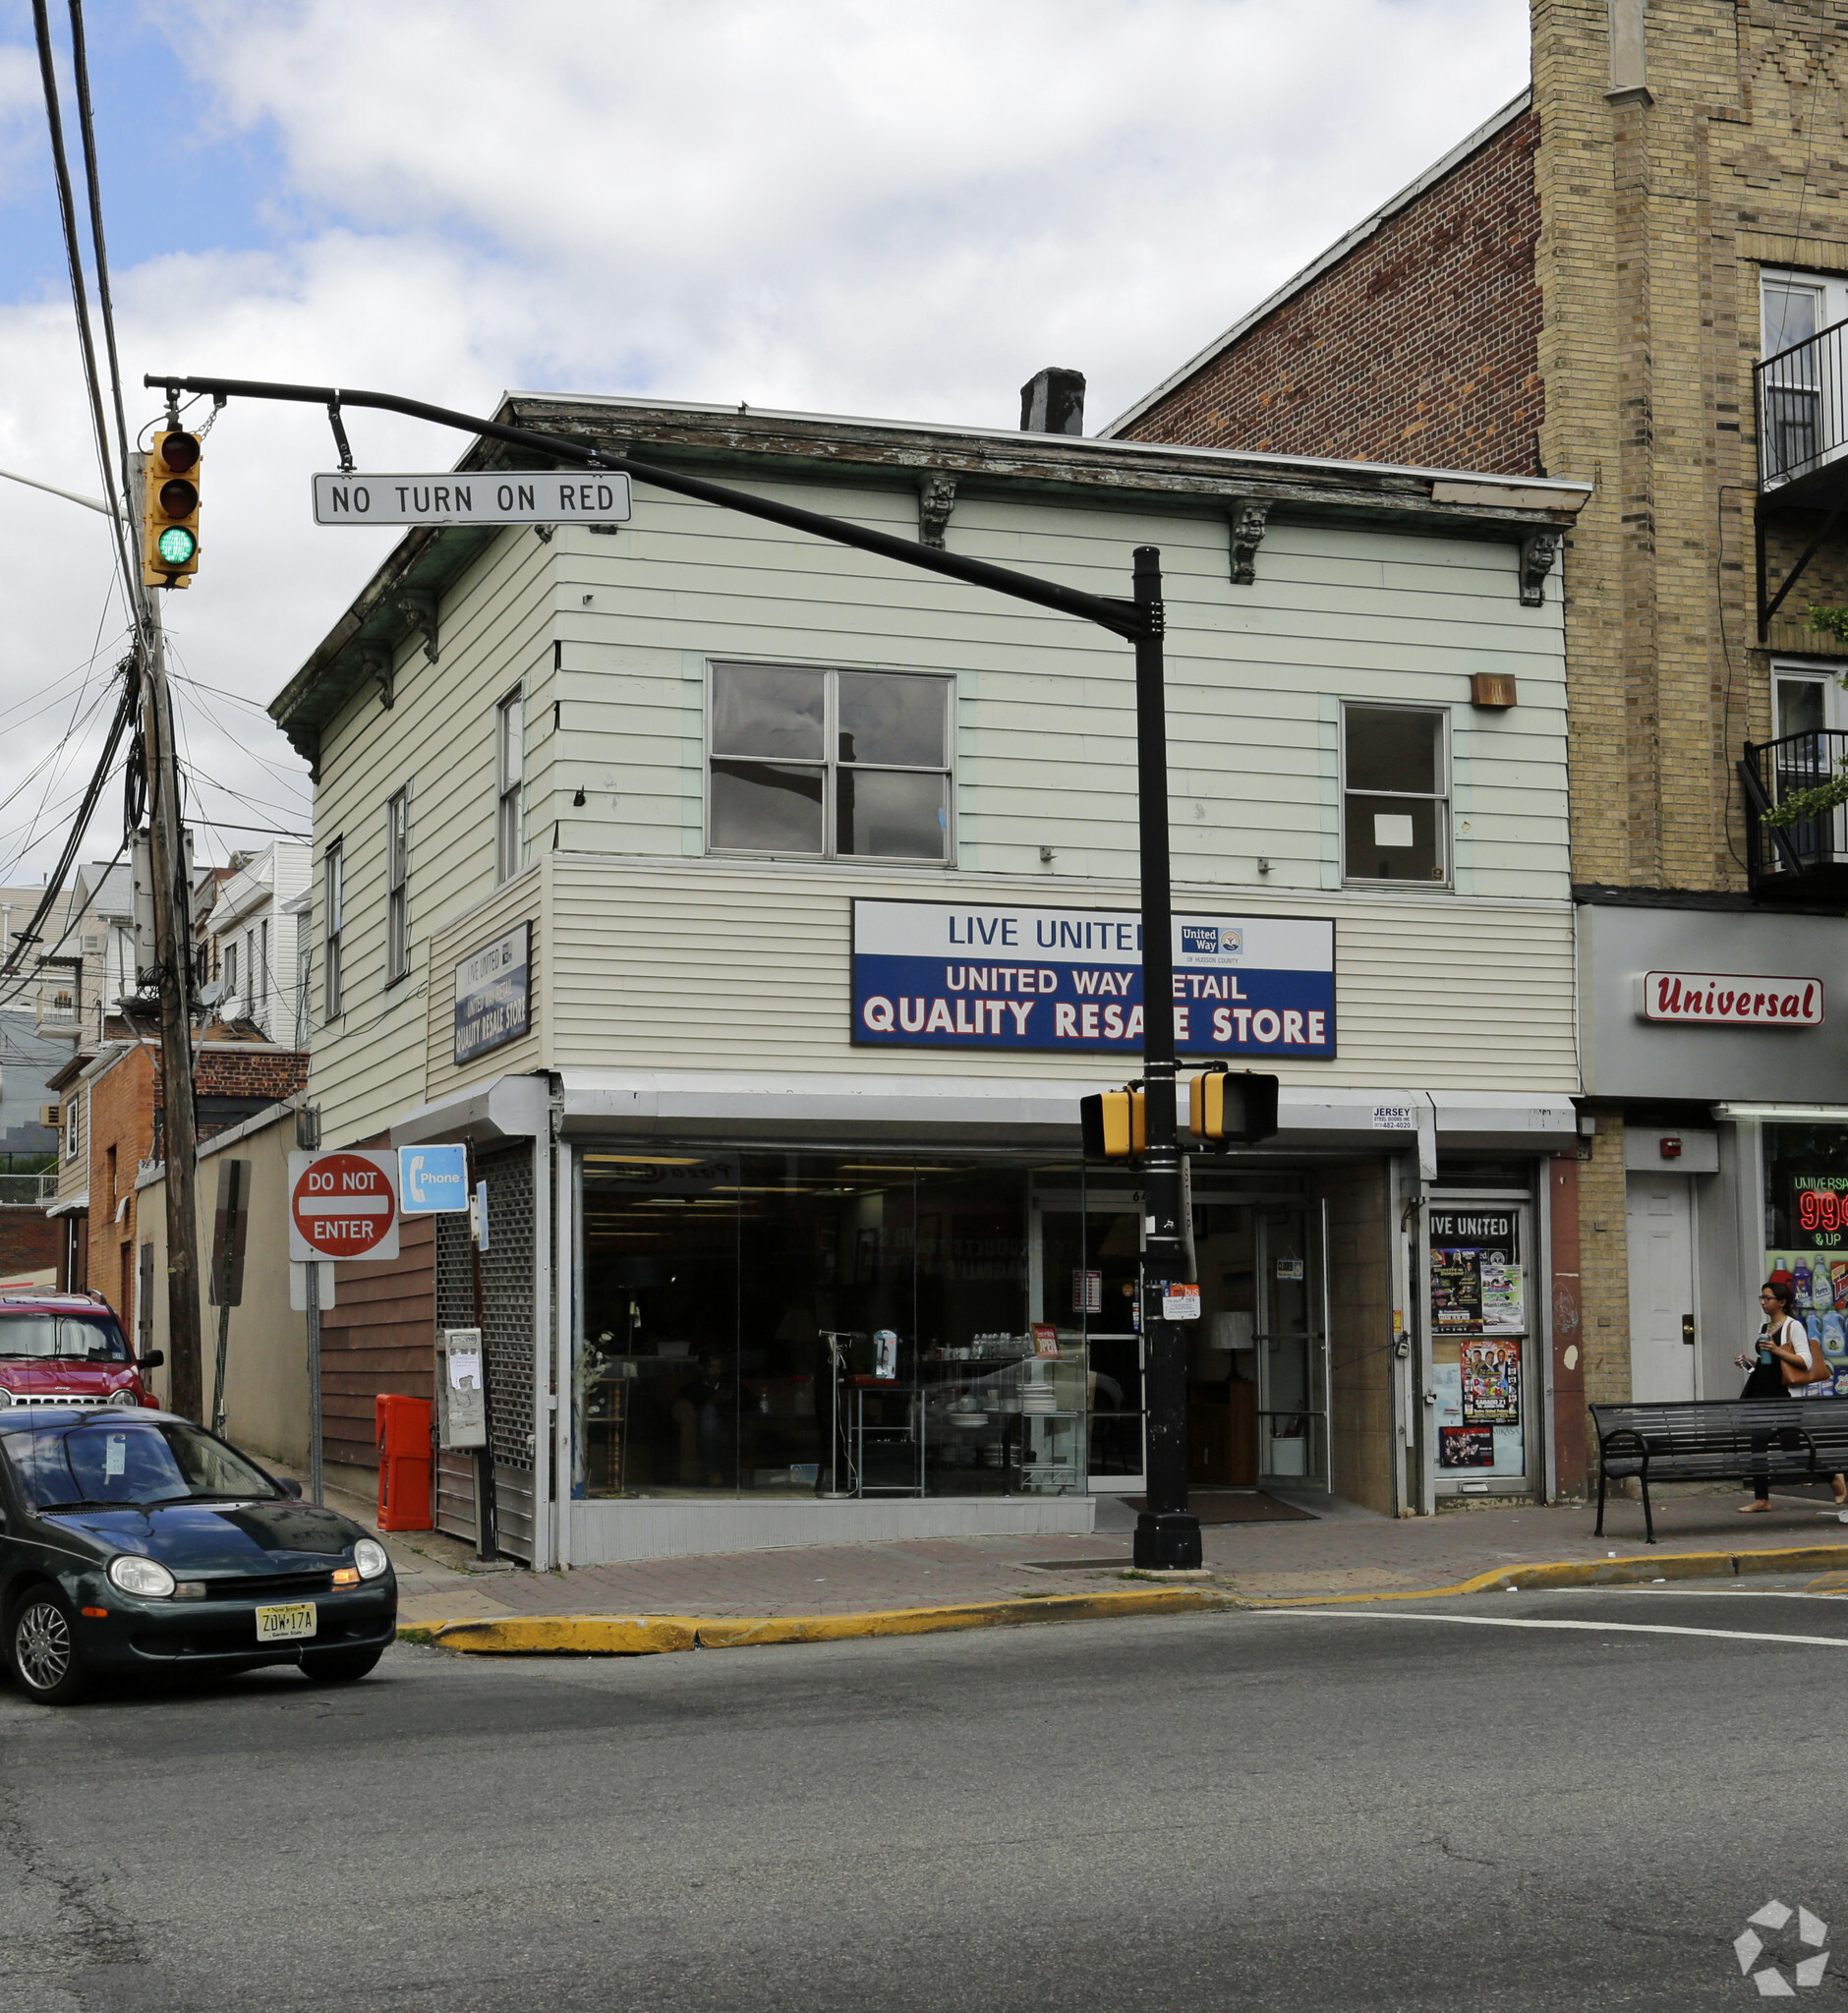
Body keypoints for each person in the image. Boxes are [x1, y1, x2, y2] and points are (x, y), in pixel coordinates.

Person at [1734, 1279, 1847, 1513]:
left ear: (1782, 1302)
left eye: (1768, 1298)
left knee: (1790, 1448)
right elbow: (1767, 1367)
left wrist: (1775, 1350)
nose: (1763, 1302)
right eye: (1762, 1298)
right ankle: (1762, 1499)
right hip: (1761, 1393)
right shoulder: (1766, 1328)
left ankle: (1833, 1476)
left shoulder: (1792, 1326)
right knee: (1757, 1445)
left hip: (1783, 1395)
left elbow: (1805, 1362)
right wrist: (1747, 1364)